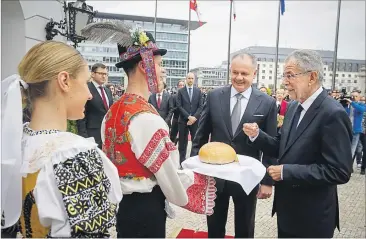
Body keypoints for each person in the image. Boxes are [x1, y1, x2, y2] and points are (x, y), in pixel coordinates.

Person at [81, 22, 216, 238]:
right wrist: (196, 178)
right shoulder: (145, 117)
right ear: (145, 66)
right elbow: (168, 175)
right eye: (159, 63)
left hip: (123, 207)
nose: (163, 70)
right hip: (146, 209)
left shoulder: (112, 111)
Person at [1, 41, 122, 238]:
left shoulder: (13, 146)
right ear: (64, 81)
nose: (89, 95)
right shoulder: (76, 156)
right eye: (84, 83)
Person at [243, 49, 353, 238]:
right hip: (288, 212)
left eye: (290, 75)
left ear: (312, 77)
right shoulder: (294, 106)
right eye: (284, 75)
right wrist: (257, 135)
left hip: (313, 217)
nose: (285, 81)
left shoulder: (332, 113)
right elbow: (282, 145)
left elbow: (339, 171)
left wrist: (286, 172)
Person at [191, 52, 277, 238]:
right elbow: (200, 137)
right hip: (215, 177)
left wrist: (267, 182)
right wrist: (195, 171)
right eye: (235, 72)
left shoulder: (267, 102)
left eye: (244, 74)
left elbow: (271, 146)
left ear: (255, 73)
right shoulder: (214, 96)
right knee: (214, 227)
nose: (239, 78)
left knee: (245, 229)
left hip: (247, 178)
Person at [76, 63, 114, 149]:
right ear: (93, 74)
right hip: (91, 134)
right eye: (101, 74)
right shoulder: (86, 89)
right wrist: (84, 137)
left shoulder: (107, 91)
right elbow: (81, 116)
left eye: (105, 74)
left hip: (106, 135)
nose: (104, 76)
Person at [176, 72, 204, 164]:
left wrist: (194, 118)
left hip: (195, 121)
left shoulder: (198, 91)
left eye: (192, 78)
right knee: (182, 143)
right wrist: (188, 117)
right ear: (186, 79)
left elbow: (201, 106)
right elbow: (179, 106)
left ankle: (193, 162)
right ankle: (182, 162)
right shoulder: (180, 91)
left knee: (195, 142)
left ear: (194, 80)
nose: (190, 80)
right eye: (189, 78)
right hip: (183, 121)